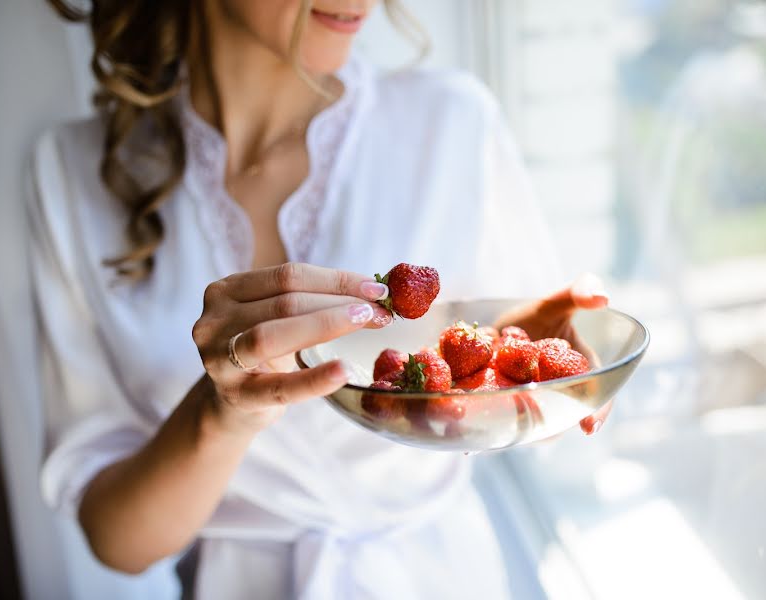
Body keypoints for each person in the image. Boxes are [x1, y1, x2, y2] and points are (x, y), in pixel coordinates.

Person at [31, 1, 612, 598]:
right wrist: (220, 415)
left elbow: (533, 404)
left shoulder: (452, 121)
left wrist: (513, 366)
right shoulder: (72, 175)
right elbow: (117, 540)